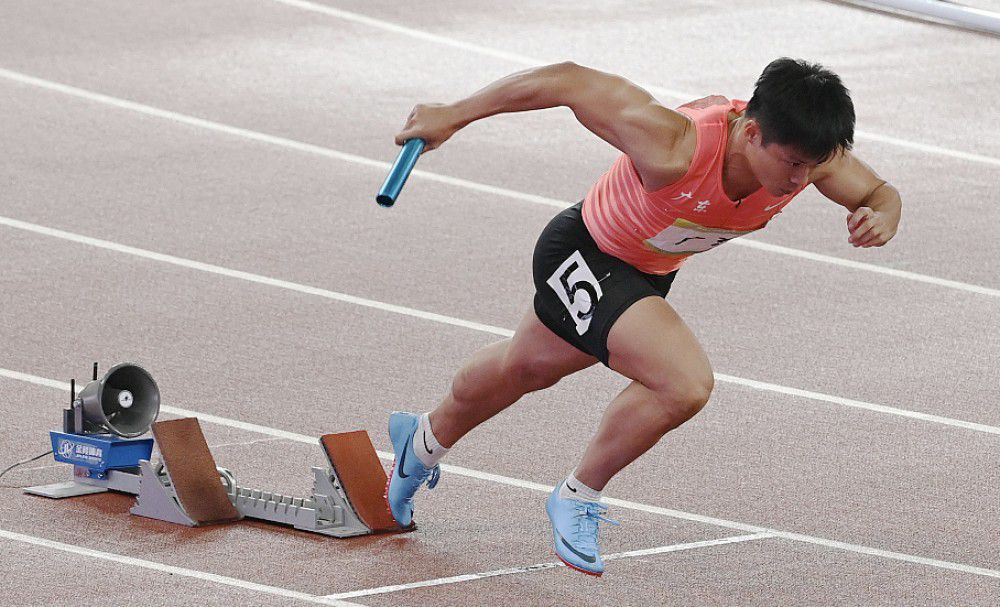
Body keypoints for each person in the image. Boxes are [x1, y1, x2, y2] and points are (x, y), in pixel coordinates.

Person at [383, 58, 901, 576]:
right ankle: (577, 495)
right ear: (752, 132)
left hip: (648, 271)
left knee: (525, 367)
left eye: (813, 167)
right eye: (791, 165)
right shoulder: (675, 145)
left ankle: (422, 440)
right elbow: (567, 80)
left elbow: (881, 193)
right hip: (586, 251)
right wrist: (454, 114)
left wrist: (882, 217)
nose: (801, 180)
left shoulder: (811, 155)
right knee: (683, 383)